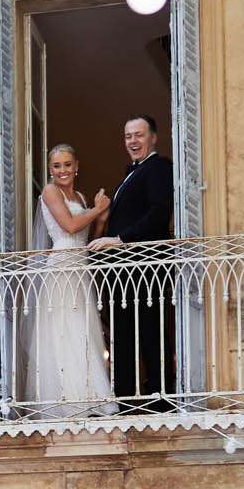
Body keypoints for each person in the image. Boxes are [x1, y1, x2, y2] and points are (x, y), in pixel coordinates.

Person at [18, 143, 115, 413]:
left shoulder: (82, 198)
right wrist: (97, 210)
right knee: (64, 333)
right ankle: (66, 402)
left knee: (85, 333)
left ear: (77, 166)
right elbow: (69, 226)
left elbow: (88, 241)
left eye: (67, 165)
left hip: (80, 268)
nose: (63, 170)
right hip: (60, 269)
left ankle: (89, 397)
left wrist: (100, 220)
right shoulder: (50, 191)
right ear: (50, 170)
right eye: (57, 166)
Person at [89, 114, 175, 406]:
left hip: (145, 266)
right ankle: (125, 400)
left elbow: (158, 213)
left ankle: (161, 399)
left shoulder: (159, 168)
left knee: (150, 332)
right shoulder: (131, 173)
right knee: (124, 336)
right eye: (128, 136)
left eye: (139, 135)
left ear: (153, 138)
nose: (133, 141)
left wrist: (119, 240)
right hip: (123, 273)